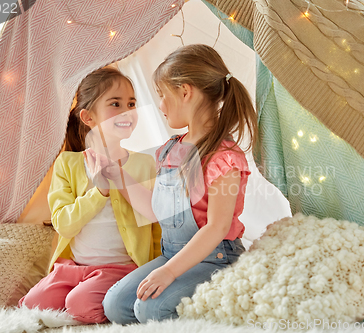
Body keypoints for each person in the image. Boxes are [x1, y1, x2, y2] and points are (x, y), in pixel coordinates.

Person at [102, 44, 258, 324]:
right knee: (115, 306)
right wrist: (118, 176)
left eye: (162, 95)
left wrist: (170, 272)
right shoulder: (171, 149)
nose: (159, 105)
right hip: (173, 254)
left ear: (185, 92)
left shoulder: (224, 157)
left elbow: (217, 227)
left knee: (150, 310)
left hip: (216, 258)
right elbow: (154, 210)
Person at [18, 67, 161, 324]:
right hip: (72, 268)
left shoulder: (144, 164)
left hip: (120, 269)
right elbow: (64, 223)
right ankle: (78, 293)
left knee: (80, 305)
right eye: (115, 104)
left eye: (131, 103)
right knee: (31, 305)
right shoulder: (67, 164)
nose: (127, 111)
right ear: (88, 117)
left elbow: (154, 225)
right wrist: (100, 192)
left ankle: (88, 298)